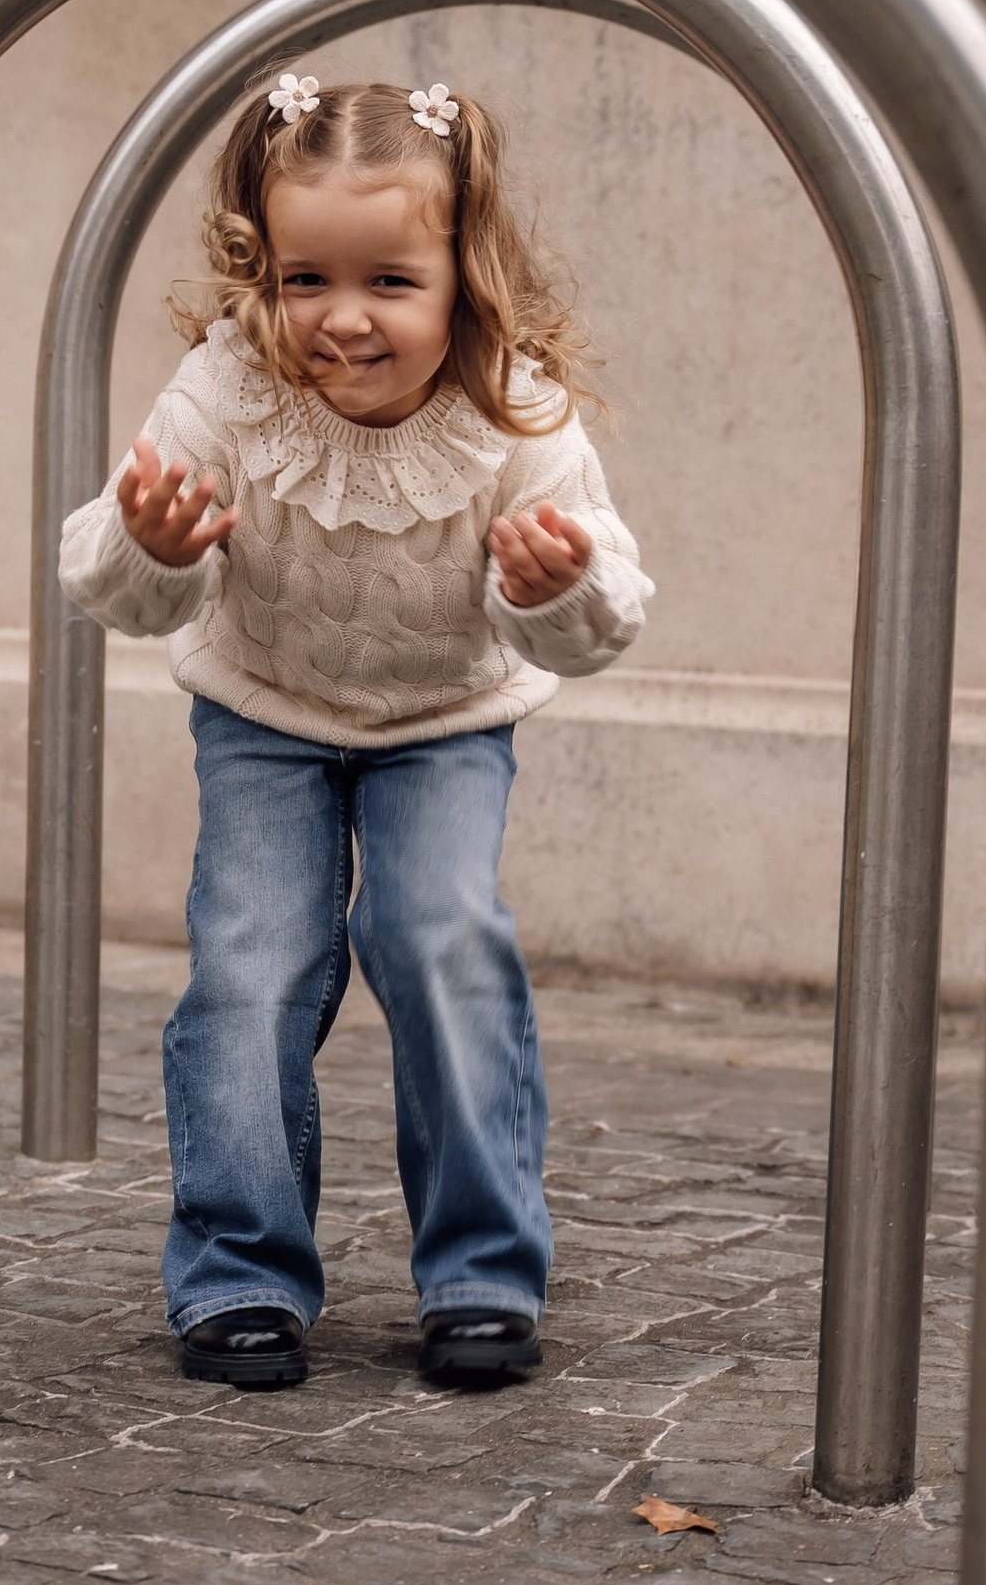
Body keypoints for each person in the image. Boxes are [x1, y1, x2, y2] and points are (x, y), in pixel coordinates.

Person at [59, 68, 649, 1393]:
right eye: (303, 278)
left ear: (465, 273)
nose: (343, 319)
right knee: (254, 958)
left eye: (390, 282)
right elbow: (114, 577)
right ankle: (239, 1272)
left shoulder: (517, 413)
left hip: (445, 722)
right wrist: (151, 545)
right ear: (257, 270)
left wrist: (551, 585)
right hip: (264, 718)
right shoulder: (224, 391)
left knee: (439, 936)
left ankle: (484, 1273)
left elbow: (604, 614)